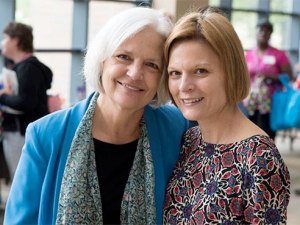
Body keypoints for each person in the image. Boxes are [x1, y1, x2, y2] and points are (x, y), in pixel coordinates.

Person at [4, 7, 189, 225]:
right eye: (123, 57)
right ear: (102, 60)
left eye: (151, 64)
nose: (135, 73)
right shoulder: (46, 135)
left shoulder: (177, 128)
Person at [163, 7, 290, 224]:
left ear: (230, 72)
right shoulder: (190, 140)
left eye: (200, 71)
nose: (184, 86)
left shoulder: (259, 158)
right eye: (175, 73)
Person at [0, 22, 53, 180]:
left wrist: (2, 96)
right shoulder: (21, 67)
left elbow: (25, 102)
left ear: (16, 40)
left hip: (21, 133)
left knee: (22, 180)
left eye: (6, 38)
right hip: (19, 131)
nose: (3, 42)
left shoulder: (28, 69)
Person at [244, 19, 293, 140]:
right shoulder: (249, 54)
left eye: (267, 31)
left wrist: (271, 76)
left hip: (271, 101)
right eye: (261, 30)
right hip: (251, 100)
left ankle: (268, 155)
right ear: (256, 32)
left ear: (271, 34)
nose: (263, 33)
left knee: (266, 130)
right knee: (250, 128)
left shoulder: (279, 54)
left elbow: (289, 76)